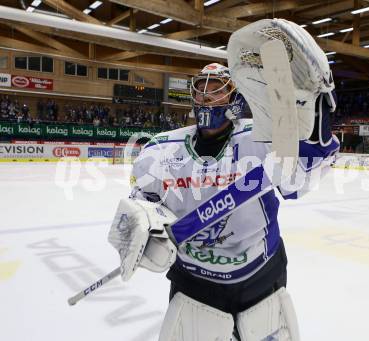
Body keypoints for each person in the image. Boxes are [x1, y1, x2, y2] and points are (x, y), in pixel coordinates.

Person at [108, 19, 339, 340]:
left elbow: (296, 183)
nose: (207, 97)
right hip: (194, 283)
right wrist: (144, 233)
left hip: (261, 275)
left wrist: (319, 122)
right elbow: (140, 208)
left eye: (217, 90)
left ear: (235, 97)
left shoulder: (264, 137)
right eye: (202, 89)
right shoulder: (160, 148)